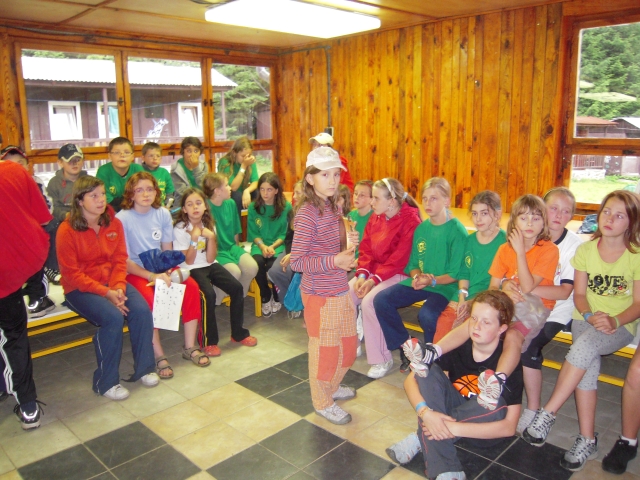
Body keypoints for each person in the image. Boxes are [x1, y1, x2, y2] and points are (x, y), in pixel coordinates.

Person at [523, 190, 640, 472]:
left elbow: (638, 303)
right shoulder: (587, 251)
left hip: (620, 324)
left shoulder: (635, 256)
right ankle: (587, 439)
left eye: (619, 215)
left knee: (583, 349)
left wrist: (614, 321)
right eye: (606, 212)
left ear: (632, 222)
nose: (609, 219)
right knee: (587, 362)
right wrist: (588, 315)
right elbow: (579, 295)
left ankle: (548, 412)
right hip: (584, 318)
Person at [385, 291, 523, 480]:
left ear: (501, 329)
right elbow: (411, 381)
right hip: (449, 411)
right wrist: (426, 414)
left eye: (487, 322)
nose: (477, 326)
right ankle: (447, 471)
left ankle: (420, 437)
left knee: (497, 404)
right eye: (474, 318)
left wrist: (451, 428)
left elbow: (509, 427)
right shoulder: (459, 345)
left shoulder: (508, 362)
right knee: (427, 371)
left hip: (480, 431)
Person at [57, 176, 158, 400]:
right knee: (112, 317)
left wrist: (118, 288)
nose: (101, 199)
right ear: (80, 201)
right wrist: (107, 293)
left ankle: (145, 368)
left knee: (142, 310)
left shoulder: (113, 223)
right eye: (93, 196)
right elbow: (72, 274)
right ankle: (106, 382)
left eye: (102, 194)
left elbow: (120, 260)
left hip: (112, 283)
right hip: (79, 289)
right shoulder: (66, 230)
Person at [116, 172, 210, 380]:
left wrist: (167, 271)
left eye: (150, 189)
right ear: (131, 193)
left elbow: (166, 251)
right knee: (149, 299)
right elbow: (124, 261)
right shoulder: (122, 219)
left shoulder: (162, 214)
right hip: (136, 271)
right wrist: (152, 276)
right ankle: (158, 355)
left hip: (160, 266)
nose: (145, 194)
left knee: (191, 287)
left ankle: (190, 346)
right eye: (139, 190)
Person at [290, 146, 359, 425]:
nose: (332, 181)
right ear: (310, 179)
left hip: (340, 288)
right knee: (324, 352)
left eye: (336, 175)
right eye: (324, 175)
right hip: (319, 294)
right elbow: (297, 261)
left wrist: (348, 243)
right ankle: (322, 401)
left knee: (349, 345)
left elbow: (332, 247)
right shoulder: (307, 214)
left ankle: (332, 385)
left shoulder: (334, 206)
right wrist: (335, 260)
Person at [512, 188, 582, 434]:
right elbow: (507, 273)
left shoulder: (574, 246)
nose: (559, 215)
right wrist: (511, 285)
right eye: (553, 208)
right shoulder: (528, 235)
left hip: (557, 310)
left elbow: (564, 292)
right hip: (524, 304)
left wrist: (526, 287)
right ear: (542, 209)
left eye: (566, 211)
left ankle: (533, 408)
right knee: (502, 336)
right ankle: (503, 398)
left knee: (528, 347)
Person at [373, 177, 468, 357]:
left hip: (445, 287)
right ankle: (407, 347)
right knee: (381, 300)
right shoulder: (422, 229)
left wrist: (432, 280)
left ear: (447, 201)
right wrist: (417, 276)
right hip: (423, 282)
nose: (428, 203)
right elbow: (413, 264)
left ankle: (433, 357)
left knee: (427, 315)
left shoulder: (457, 231)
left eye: (434, 198)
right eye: (425, 198)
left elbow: (455, 274)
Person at [350, 178, 421, 379]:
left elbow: (400, 258)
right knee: (348, 292)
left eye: (376, 198)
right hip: (376, 271)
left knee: (370, 302)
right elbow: (366, 249)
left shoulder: (410, 220)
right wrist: (362, 275)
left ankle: (382, 358)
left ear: (391, 201)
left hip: (400, 273)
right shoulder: (377, 217)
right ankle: (352, 343)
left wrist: (373, 280)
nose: (372, 202)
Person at [173, 187, 257, 357]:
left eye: (198, 203)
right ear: (184, 209)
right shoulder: (180, 229)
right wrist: (194, 239)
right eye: (190, 204)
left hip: (209, 264)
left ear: (205, 206)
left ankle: (238, 333)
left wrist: (211, 237)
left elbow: (211, 258)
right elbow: (189, 261)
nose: (195, 207)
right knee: (208, 295)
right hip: (190, 268)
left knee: (236, 288)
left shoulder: (209, 225)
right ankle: (209, 341)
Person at [0, 158, 51, 429]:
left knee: (10, 337)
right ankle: (28, 405)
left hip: (7, 273)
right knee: (14, 338)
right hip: (14, 269)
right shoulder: (13, 171)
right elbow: (43, 218)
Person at [434, 191, 506, 344]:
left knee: (469, 327)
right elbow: (464, 273)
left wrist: (472, 302)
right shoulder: (469, 240)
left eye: (484, 213)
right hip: (465, 295)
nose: (478, 219)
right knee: (445, 323)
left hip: (489, 297)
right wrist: (462, 297)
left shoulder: (505, 242)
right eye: (474, 213)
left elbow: (497, 285)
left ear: (497, 214)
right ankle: (435, 357)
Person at [1, 145, 57, 317]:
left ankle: (37, 297)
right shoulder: (9, 179)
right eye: (11, 163)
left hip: (29, 231)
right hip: (17, 237)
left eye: (20, 163)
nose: (17, 166)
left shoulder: (35, 182)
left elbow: (47, 211)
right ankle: (35, 296)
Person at [202, 172, 259, 302]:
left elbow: (235, 232)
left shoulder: (231, 203)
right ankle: (215, 302)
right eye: (227, 185)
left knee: (252, 267)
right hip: (216, 251)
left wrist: (237, 252)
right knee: (234, 272)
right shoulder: (205, 208)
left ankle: (238, 298)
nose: (230, 188)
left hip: (231, 247)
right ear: (217, 191)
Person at [248, 172, 292, 317]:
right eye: (262, 189)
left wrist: (272, 247)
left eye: (269, 189)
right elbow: (253, 232)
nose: (265, 193)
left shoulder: (286, 207)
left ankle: (276, 294)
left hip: (278, 246)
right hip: (259, 245)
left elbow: (285, 233)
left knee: (273, 266)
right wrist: (262, 247)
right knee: (257, 264)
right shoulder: (253, 207)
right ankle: (265, 295)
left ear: (276, 190)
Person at [267, 180, 304, 316]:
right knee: (275, 271)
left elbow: (309, 242)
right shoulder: (292, 212)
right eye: (294, 193)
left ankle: (298, 304)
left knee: (294, 269)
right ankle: (288, 300)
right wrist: (290, 253)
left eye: (298, 193)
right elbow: (289, 237)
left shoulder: (313, 212)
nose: (294, 197)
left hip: (304, 252)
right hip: (291, 249)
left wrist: (293, 255)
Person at [96, 137, 144, 212]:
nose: (122, 155)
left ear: (132, 156)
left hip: (136, 208)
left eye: (126, 152)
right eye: (117, 152)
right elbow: (104, 199)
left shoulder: (138, 170)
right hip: (111, 209)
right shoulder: (103, 172)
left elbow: (143, 195)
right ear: (110, 156)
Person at [217, 136, 259, 214]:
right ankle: (238, 221)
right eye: (243, 156)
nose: (246, 158)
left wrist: (247, 191)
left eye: (249, 155)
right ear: (234, 153)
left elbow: (255, 181)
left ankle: (256, 219)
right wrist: (243, 166)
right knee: (237, 196)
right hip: (228, 194)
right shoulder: (225, 162)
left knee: (258, 192)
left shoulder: (249, 161)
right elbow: (233, 187)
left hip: (243, 193)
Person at [170, 136, 208, 206]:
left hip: (201, 203)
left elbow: (205, 187)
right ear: (183, 152)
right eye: (189, 151)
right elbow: (183, 193)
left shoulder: (204, 165)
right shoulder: (175, 169)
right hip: (183, 205)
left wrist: (196, 168)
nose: (192, 155)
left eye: (196, 151)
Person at [140, 142, 175, 206]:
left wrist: (167, 206)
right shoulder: (139, 172)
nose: (155, 158)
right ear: (143, 158)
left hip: (162, 207)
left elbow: (170, 193)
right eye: (151, 156)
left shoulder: (164, 173)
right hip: (144, 207)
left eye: (158, 156)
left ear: (161, 158)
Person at [348, 180, 373, 260]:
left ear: (371, 199)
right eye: (355, 193)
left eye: (362, 195)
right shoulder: (350, 215)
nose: (357, 197)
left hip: (366, 261)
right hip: (350, 259)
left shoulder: (375, 218)